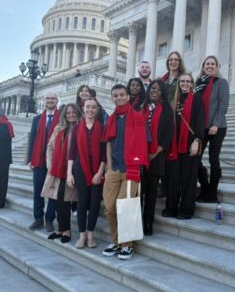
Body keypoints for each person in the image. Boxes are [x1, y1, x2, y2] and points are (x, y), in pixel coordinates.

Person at [102, 84, 149, 260]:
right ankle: (116, 241)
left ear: (128, 96)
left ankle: (127, 245)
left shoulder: (138, 117)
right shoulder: (111, 119)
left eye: (122, 94)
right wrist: (108, 166)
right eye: (115, 95)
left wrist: (137, 163)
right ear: (112, 98)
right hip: (114, 169)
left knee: (126, 206)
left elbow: (145, 142)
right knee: (109, 207)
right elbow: (108, 142)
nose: (119, 98)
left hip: (131, 169)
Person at [163, 73, 204, 219]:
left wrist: (197, 141)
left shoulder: (197, 99)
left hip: (190, 144)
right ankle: (171, 208)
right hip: (174, 145)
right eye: (182, 81)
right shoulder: (174, 99)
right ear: (179, 83)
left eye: (188, 81)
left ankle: (186, 211)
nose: (185, 83)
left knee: (188, 179)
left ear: (192, 84)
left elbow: (200, 120)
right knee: (173, 178)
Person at [67, 98, 106, 249]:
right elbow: (72, 152)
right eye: (88, 107)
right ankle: (82, 235)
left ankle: (91, 234)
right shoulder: (76, 128)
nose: (90, 110)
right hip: (80, 169)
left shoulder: (101, 128)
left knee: (95, 203)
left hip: (97, 170)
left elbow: (103, 153)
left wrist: (100, 172)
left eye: (94, 107)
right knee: (82, 203)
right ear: (83, 109)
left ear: (97, 110)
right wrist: (69, 174)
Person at [195, 55, 229, 203]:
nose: (209, 66)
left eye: (212, 64)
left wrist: (215, 124)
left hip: (218, 127)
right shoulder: (198, 84)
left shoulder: (222, 82)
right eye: (207, 64)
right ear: (203, 67)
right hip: (201, 126)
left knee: (213, 158)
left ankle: (212, 192)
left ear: (217, 66)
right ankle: (205, 185)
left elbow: (223, 105)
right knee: (195, 158)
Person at [141, 79, 173, 235]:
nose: (155, 91)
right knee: (139, 192)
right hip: (139, 156)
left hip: (157, 156)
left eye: (159, 89)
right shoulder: (142, 108)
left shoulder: (167, 110)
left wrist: (154, 152)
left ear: (163, 93)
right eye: (153, 88)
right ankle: (136, 222)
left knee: (152, 192)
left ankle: (148, 223)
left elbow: (168, 134)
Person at [47, 103, 82, 243]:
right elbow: (50, 147)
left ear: (78, 113)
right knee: (57, 199)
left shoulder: (80, 127)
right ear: (64, 115)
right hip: (57, 168)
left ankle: (66, 230)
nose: (71, 115)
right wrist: (50, 165)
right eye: (68, 113)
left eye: (74, 112)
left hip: (72, 169)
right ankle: (61, 229)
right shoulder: (59, 128)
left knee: (64, 198)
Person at [27, 92, 60, 231]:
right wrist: (29, 159)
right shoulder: (37, 119)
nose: (50, 100)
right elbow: (32, 139)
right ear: (44, 101)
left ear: (57, 100)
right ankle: (38, 218)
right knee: (38, 190)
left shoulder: (61, 118)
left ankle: (49, 219)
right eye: (48, 98)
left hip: (55, 160)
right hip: (39, 160)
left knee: (52, 190)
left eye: (53, 98)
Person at [159, 51, 187, 198]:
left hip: (178, 120)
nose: (173, 62)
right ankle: (164, 185)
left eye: (176, 60)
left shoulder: (183, 79)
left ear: (180, 62)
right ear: (168, 62)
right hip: (163, 119)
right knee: (163, 154)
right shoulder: (162, 80)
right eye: (171, 60)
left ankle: (179, 186)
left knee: (176, 156)